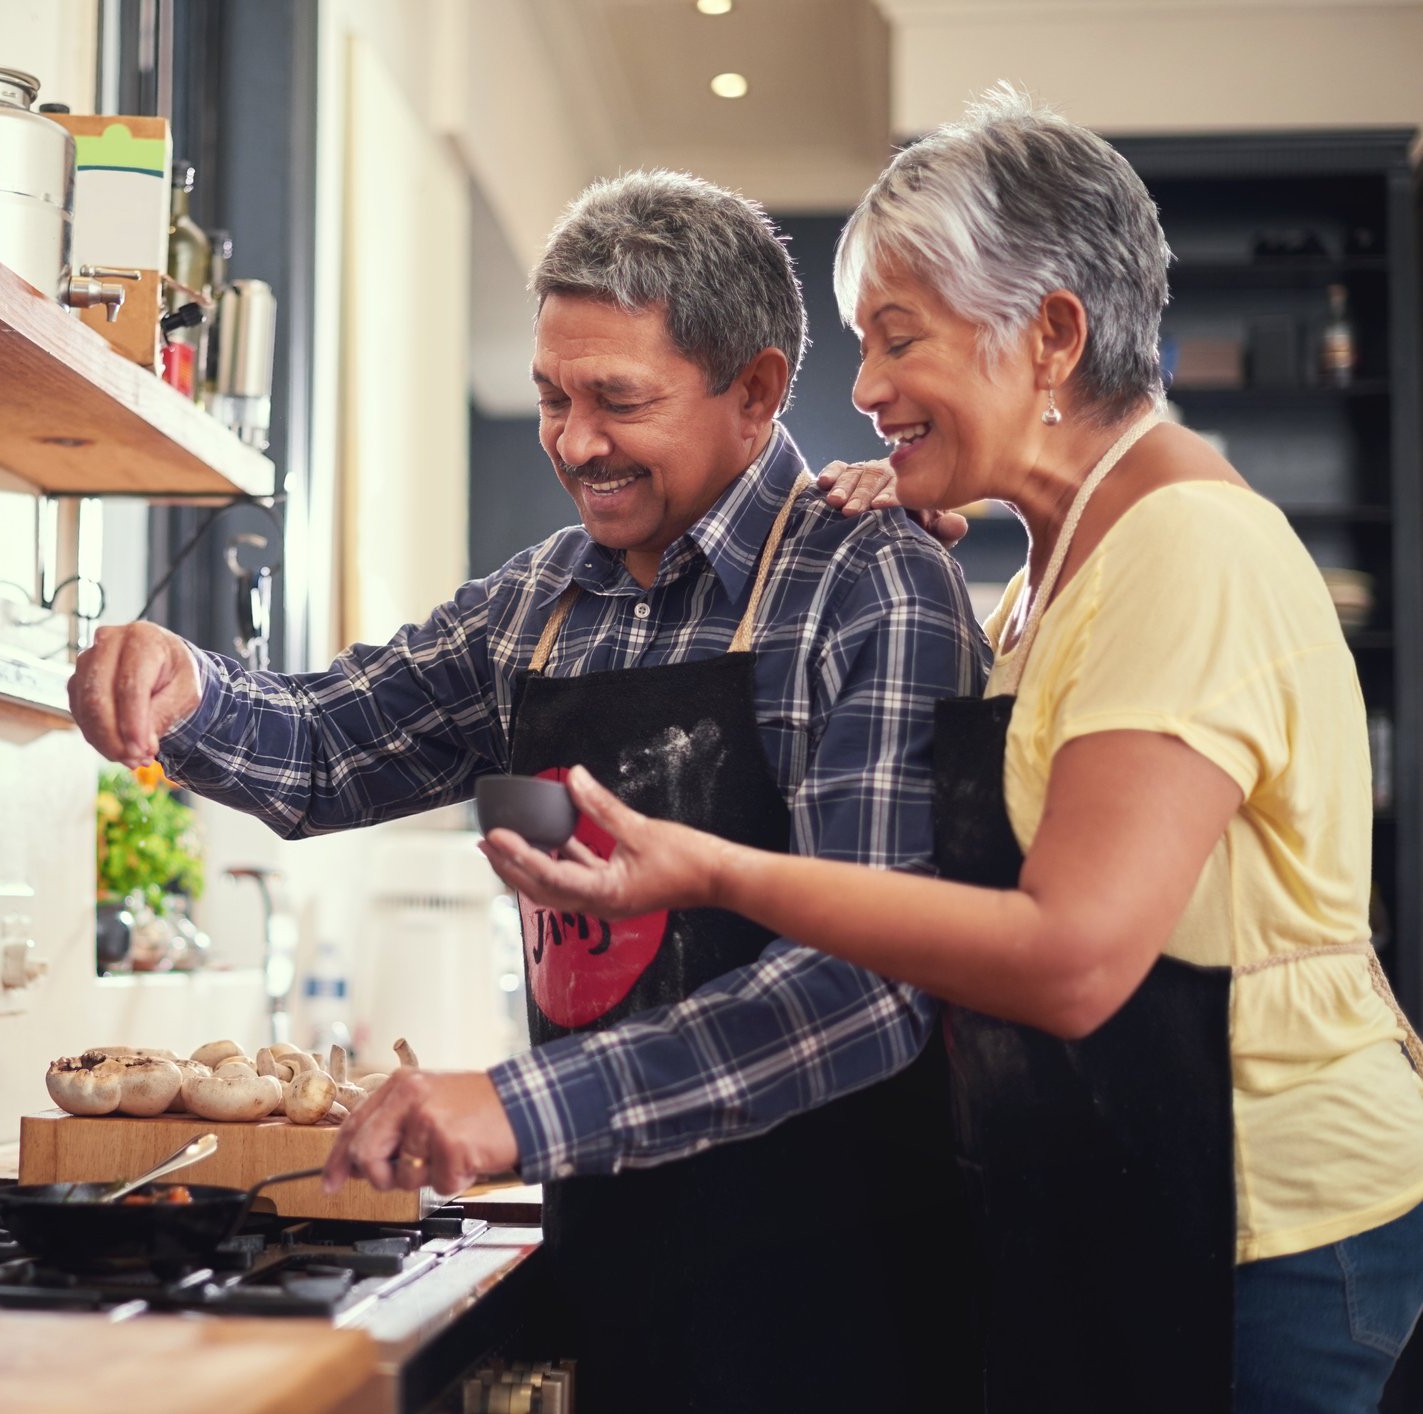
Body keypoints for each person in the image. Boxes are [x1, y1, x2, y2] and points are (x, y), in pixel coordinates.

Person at [480, 91, 1423, 1414]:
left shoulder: (1183, 550)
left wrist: (710, 868)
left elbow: (1073, 955)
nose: (859, 389)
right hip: (1124, 1210)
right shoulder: (1038, 574)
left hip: (1268, 1238)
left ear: (1045, 335)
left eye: (896, 339)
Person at [73, 171, 989, 1410]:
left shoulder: (867, 585)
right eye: (554, 395)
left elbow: (870, 981)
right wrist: (184, 687)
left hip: (831, 1276)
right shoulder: (540, 605)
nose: (569, 441)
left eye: (617, 400)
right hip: (611, 1242)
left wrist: (516, 1105)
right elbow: (328, 744)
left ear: (758, 390)